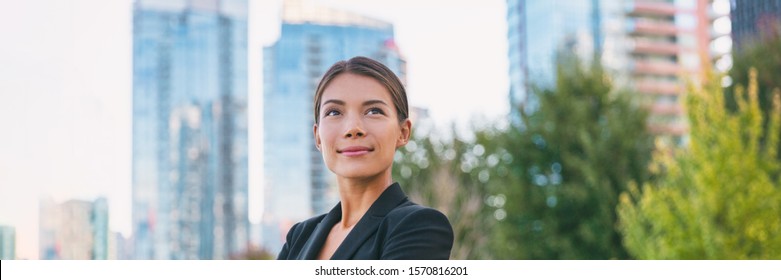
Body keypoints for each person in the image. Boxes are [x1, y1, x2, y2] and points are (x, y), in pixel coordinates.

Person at [277, 56, 454, 260]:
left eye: (373, 111)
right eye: (334, 112)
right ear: (317, 136)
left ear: (403, 132)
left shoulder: (420, 226)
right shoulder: (299, 237)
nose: (353, 128)